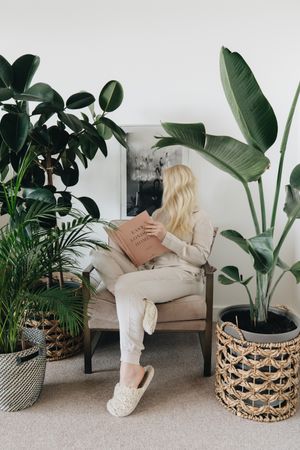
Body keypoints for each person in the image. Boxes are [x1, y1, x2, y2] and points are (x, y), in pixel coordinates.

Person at [90, 164, 214, 417]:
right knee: (98, 254)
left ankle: (130, 367)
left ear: (179, 185)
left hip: (182, 275)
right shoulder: (158, 213)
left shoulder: (200, 217)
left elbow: (201, 257)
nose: (165, 187)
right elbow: (150, 256)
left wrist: (167, 237)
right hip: (152, 274)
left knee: (125, 285)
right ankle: (143, 302)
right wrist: (132, 249)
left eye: (169, 182)